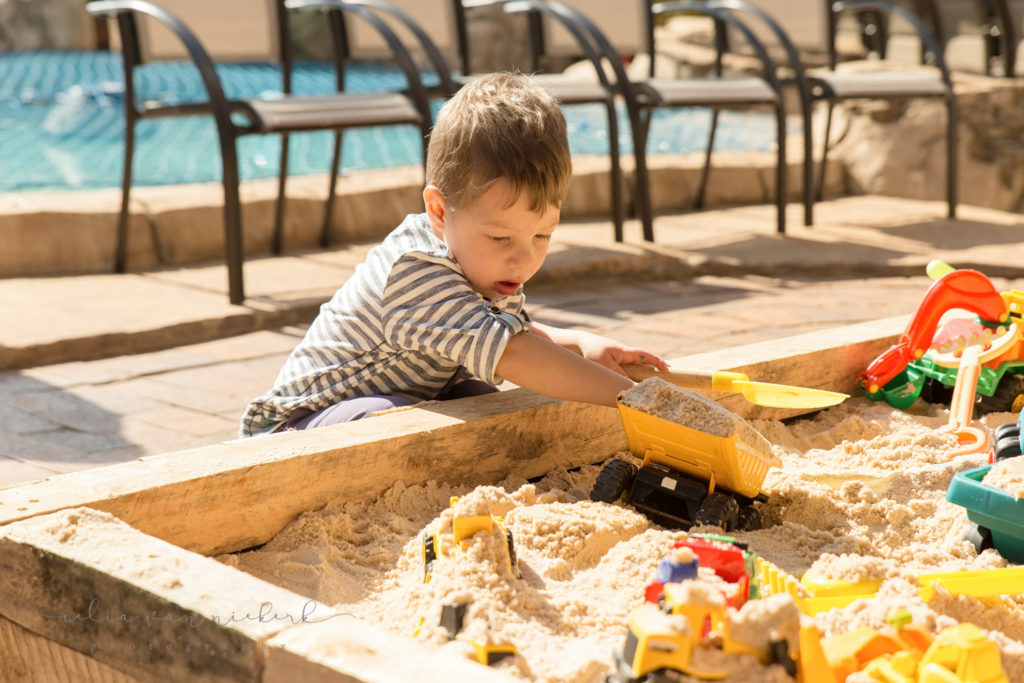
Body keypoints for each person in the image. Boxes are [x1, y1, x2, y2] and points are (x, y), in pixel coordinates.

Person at [240, 72, 667, 438]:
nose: (523, 259)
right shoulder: (414, 270)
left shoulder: (486, 265)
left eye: (542, 235)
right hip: (296, 427)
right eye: (500, 238)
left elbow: (508, 334)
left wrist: (581, 344)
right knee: (386, 421)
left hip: (405, 394)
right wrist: (636, 399)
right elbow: (515, 354)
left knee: (479, 398)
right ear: (440, 212)